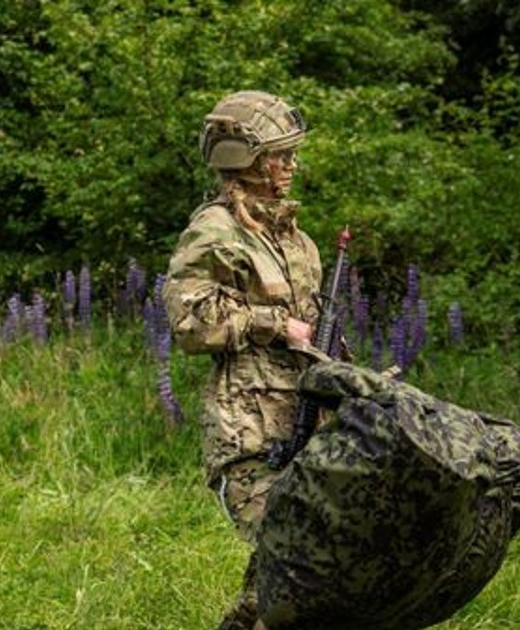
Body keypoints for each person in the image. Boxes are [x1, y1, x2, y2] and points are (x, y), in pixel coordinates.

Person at [162, 91, 322, 630]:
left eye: (292, 153)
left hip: (306, 421)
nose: (291, 165)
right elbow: (189, 321)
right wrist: (272, 323)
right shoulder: (215, 231)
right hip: (248, 430)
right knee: (295, 555)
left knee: (296, 570)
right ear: (245, 160)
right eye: (280, 155)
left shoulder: (299, 242)